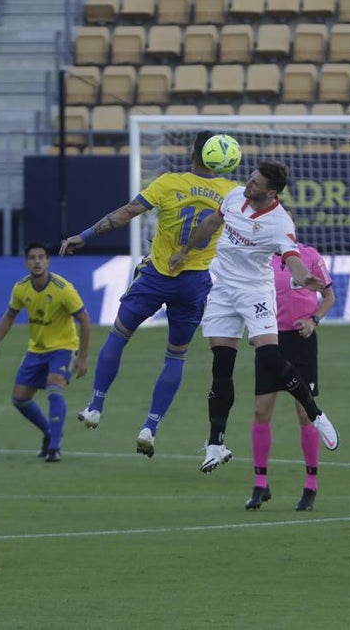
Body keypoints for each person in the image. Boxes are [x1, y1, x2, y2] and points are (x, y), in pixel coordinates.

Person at [59, 131, 237, 458]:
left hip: (157, 275)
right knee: (175, 356)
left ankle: (95, 406)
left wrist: (86, 235)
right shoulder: (232, 193)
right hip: (194, 283)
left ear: (192, 153)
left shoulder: (169, 182)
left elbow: (127, 213)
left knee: (119, 335)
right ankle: (149, 428)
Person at [169, 161, 339, 474]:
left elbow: (293, 259)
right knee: (221, 365)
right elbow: (211, 223)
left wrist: (303, 278)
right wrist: (185, 251)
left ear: (271, 192)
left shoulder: (280, 222)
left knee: (270, 357)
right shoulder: (236, 196)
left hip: (255, 292)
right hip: (223, 290)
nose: (248, 183)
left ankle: (316, 414)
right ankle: (216, 444)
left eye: (256, 182)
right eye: (250, 178)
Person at [245, 242, 335, 512]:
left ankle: (311, 486)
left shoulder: (309, 256)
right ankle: (260, 483)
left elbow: (329, 296)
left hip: (301, 341)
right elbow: (248, 297)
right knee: (261, 410)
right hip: (269, 339)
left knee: (305, 413)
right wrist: (254, 329)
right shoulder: (259, 258)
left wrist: (313, 320)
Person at [0, 242, 91, 463]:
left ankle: (54, 448)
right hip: (36, 349)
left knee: (54, 388)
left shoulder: (63, 289)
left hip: (64, 347)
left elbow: (84, 319)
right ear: (26, 263)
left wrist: (83, 357)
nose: (37, 262)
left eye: (41, 257)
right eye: (32, 258)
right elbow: (10, 316)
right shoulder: (21, 288)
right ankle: (49, 431)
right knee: (19, 399)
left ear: (48, 262)